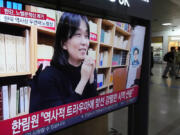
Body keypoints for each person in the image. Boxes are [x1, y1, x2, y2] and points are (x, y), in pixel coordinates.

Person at [29, 12, 98, 113]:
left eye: (87, 36)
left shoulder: (89, 69)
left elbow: (94, 109)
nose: (85, 42)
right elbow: (60, 118)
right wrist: (83, 81)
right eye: (78, 35)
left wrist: (91, 79)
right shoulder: (48, 77)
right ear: (63, 43)